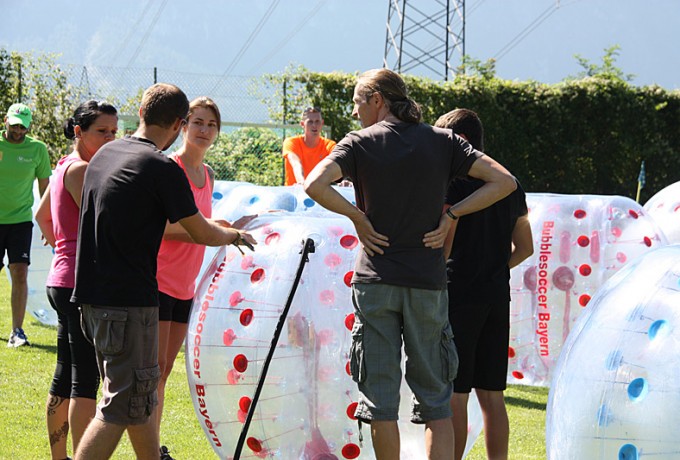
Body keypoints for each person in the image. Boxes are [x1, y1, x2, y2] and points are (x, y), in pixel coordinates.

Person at [304, 69, 517, 460]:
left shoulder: (358, 143)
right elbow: (504, 181)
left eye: (356, 102)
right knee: (437, 404)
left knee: (381, 405)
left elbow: (313, 183)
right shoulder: (444, 141)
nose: (354, 112)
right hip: (427, 285)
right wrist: (453, 215)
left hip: (375, 282)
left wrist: (357, 218)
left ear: (377, 100)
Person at [70, 83, 256, 460]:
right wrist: (235, 234)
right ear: (178, 124)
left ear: (141, 113)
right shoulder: (160, 167)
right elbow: (201, 232)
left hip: (91, 298)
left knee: (139, 397)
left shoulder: (106, 154)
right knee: (120, 404)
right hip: (129, 303)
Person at [153, 97, 254, 460]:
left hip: (186, 286)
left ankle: (153, 446)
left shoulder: (207, 174)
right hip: (159, 281)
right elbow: (163, 227)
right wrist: (214, 232)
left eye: (211, 125)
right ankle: (151, 449)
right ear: (182, 126)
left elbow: (199, 223)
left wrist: (226, 227)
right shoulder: (170, 168)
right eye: (197, 122)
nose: (204, 130)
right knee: (153, 373)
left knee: (164, 371)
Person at [435, 108, 534, 460]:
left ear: (458, 141)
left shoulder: (453, 183)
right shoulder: (510, 183)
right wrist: (493, 268)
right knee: (492, 396)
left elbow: (445, 247)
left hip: (459, 295)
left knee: (455, 394)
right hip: (496, 295)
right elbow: (526, 247)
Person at [35, 100, 118, 460]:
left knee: (65, 376)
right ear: (79, 132)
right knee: (84, 381)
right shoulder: (82, 170)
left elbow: (41, 215)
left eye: (114, 132)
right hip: (78, 284)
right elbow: (106, 223)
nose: (110, 138)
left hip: (62, 279)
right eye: (102, 131)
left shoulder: (62, 166)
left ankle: (61, 458)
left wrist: (64, 247)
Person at [0, 103, 51, 347]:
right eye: (15, 125)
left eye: (23, 126)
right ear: (5, 121)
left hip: (20, 221)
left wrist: (49, 222)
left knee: (20, 272)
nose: (18, 130)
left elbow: (45, 188)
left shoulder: (37, 149)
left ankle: (17, 332)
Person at [282, 106, 336, 185]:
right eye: (310, 122)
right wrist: (301, 182)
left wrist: (343, 180)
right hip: (295, 189)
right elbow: (295, 163)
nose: (314, 125)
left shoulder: (329, 145)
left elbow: (338, 164)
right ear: (302, 124)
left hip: (319, 191)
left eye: (317, 121)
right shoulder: (291, 142)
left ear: (322, 123)